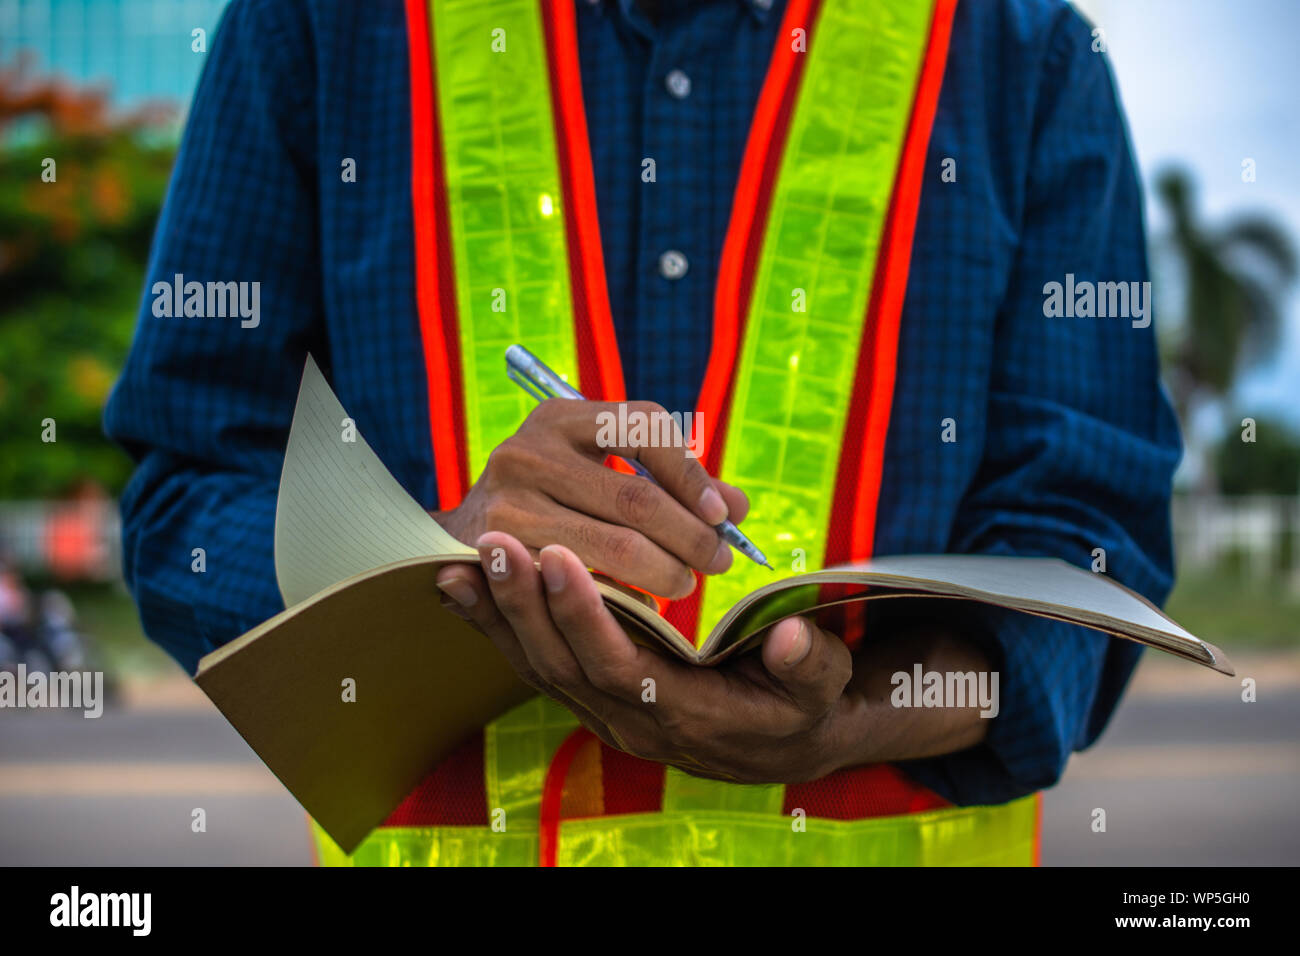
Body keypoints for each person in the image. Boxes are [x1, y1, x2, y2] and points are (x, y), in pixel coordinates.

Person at [104, 0, 1181, 866]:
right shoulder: (320, 27)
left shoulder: (1018, 49)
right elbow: (185, 497)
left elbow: (1089, 551)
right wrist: (426, 564)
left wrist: (851, 717)